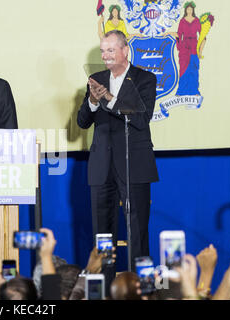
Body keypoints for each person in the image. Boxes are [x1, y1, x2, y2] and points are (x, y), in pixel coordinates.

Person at [77, 30, 159, 293]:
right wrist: (92, 100)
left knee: (138, 231)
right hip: (101, 166)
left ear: (125, 50)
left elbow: (140, 119)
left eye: (111, 50)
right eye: (103, 51)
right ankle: (105, 289)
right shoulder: (96, 80)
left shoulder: (145, 79)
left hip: (133, 163)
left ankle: (143, 290)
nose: (106, 56)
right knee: (103, 234)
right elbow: (82, 121)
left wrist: (108, 99)